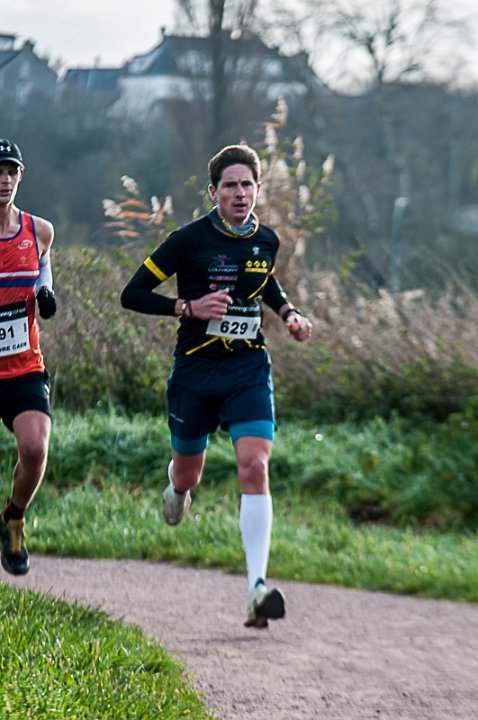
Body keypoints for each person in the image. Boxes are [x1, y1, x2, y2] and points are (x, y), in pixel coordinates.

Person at [121, 144, 312, 628]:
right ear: (213, 192)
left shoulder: (266, 240)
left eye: (247, 184)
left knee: (255, 466)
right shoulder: (188, 241)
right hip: (196, 372)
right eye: (230, 185)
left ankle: (256, 589)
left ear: (258, 189)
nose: (239, 193)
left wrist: (289, 313)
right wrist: (187, 307)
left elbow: (264, 282)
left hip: (247, 368)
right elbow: (132, 294)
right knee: (189, 475)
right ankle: (176, 487)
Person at [0, 139, 56, 576]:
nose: (3, 180)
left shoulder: (40, 230)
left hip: (23, 365)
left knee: (35, 448)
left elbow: (43, 271)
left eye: (10, 171)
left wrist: (45, 293)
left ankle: (14, 517)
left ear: (21, 175)